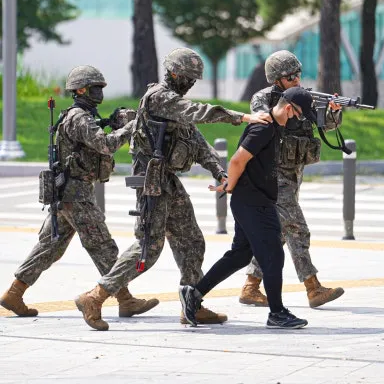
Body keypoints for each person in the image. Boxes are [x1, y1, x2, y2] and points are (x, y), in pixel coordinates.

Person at [75, 48, 271, 331]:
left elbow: (196, 140)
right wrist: (240, 117)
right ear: (174, 73)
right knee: (148, 248)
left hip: (166, 179)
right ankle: (94, 297)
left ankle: (192, 304)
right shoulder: (159, 97)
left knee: (191, 240)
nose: (190, 83)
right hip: (151, 181)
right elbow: (197, 112)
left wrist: (219, 171)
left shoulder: (175, 104)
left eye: (194, 79)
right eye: (188, 77)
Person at [0, 65, 158, 319]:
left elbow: (93, 140)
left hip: (68, 192)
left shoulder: (83, 116)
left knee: (50, 246)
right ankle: (125, 299)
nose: (99, 92)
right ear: (81, 90)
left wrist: (111, 122)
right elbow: (105, 145)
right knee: (103, 245)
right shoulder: (79, 118)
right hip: (76, 194)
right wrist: (132, 126)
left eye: (101, 87)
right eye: (95, 88)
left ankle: (14, 293)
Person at [179, 87, 319, 329]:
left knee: (241, 255)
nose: (298, 120)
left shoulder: (271, 126)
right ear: (289, 108)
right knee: (273, 255)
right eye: (298, 115)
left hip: (252, 200)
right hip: (254, 202)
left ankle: (194, 294)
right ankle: (277, 313)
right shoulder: (263, 128)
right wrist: (230, 185)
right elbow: (237, 160)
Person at [239, 50, 345, 309]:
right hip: (273, 175)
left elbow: (325, 125)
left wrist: (332, 111)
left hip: (294, 173)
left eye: (298, 75)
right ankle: (313, 288)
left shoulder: (303, 96)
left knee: (279, 233)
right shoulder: (263, 98)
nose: (296, 80)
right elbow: (266, 123)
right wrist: (290, 104)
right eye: (290, 77)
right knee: (296, 228)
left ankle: (250, 287)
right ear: (276, 79)